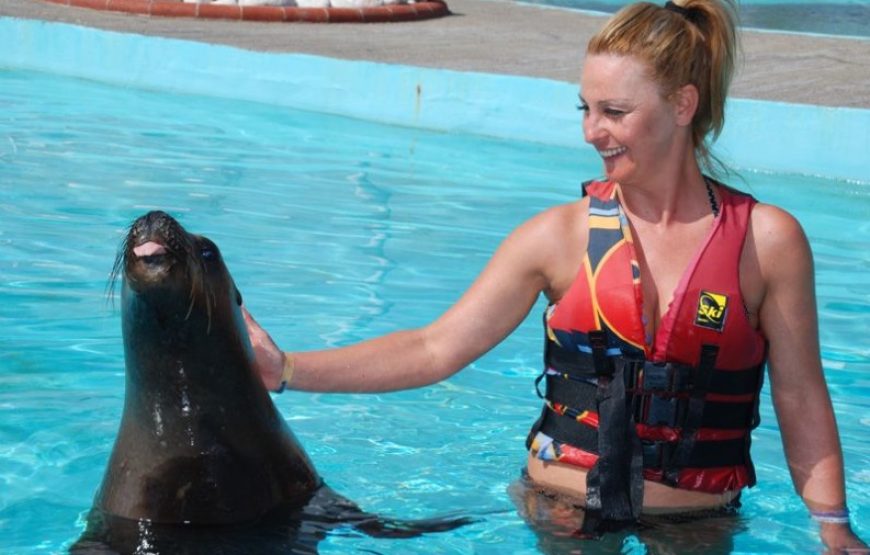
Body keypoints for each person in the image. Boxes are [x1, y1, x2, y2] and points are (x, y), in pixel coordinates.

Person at [243, 0, 867, 551]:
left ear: (683, 105)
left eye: (615, 111)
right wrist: (289, 370)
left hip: (699, 527)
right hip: (560, 519)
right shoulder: (558, 236)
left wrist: (832, 524)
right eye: (586, 108)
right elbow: (436, 348)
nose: (592, 131)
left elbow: (801, 395)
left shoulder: (766, 241)